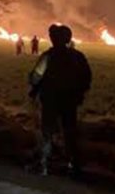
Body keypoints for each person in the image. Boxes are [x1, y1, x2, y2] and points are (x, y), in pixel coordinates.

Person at [28, 24, 92, 177]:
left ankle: (45, 164)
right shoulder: (78, 56)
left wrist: (35, 87)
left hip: (51, 100)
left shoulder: (48, 57)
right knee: (70, 131)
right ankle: (73, 164)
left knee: (48, 131)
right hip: (70, 101)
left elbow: (35, 77)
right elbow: (86, 78)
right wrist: (78, 94)